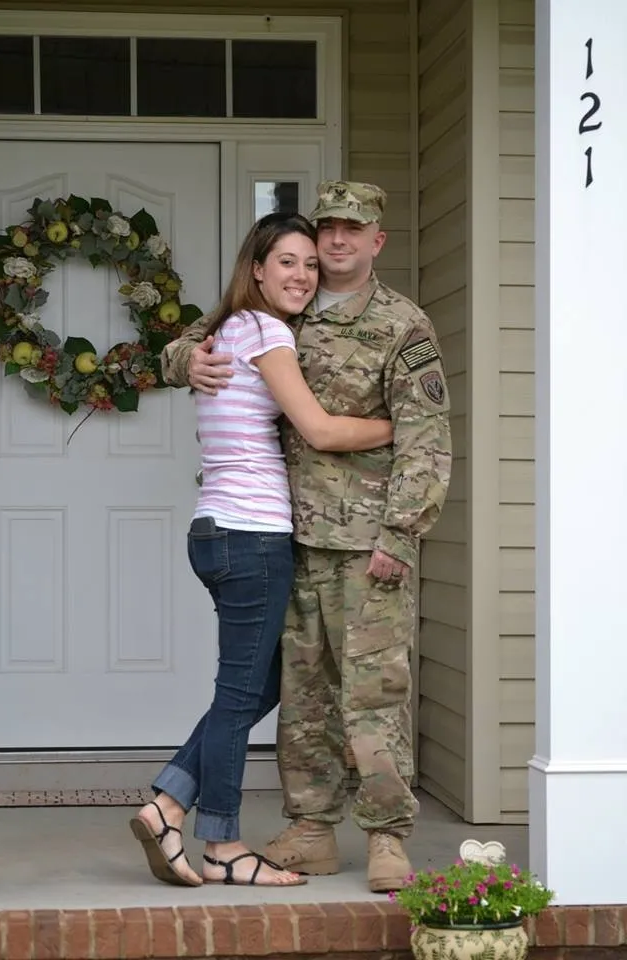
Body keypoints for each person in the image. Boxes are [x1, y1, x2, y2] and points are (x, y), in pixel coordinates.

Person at [160, 182, 452, 892]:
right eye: (330, 229)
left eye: (355, 230)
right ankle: (313, 828)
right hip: (286, 536)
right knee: (305, 694)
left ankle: (385, 837)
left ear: (378, 240)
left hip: (366, 541)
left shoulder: (401, 325)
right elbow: (200, 338)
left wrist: (402, 534)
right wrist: (181, 361)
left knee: (374, 691)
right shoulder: (280, 307)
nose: (339, 241)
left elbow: (429, 441)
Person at [130, 211, 394, 889]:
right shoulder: (266, 331)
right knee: (241, 689)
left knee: (261, 684)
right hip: (250, 535)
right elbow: (319, 429)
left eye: (310, 263)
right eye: (288, 262)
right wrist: (397, 423)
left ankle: (167, 801)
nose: (303, 274)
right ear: (256, 269)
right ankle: (220, 843)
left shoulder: (224, 330)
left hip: (222, 531)